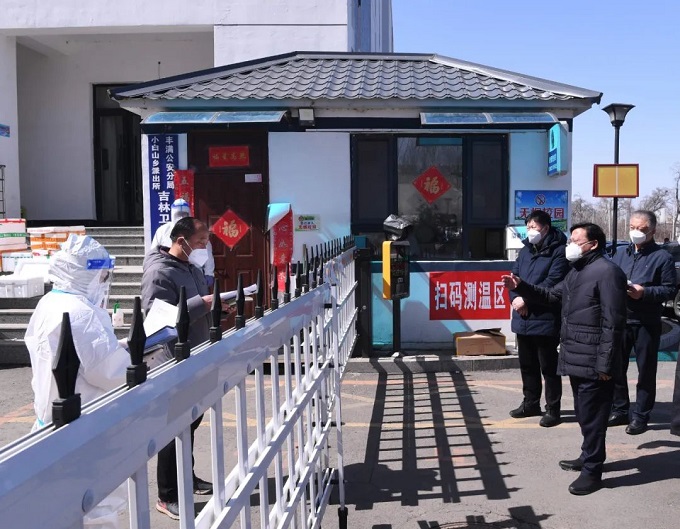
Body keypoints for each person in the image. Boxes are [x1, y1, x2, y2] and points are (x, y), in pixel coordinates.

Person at [503, 222, 627, 496]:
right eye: (570, 240)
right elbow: (551, 295)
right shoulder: (576, 271)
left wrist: (606, 364)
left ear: (593, 244)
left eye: (575, 241)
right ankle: (588, 456)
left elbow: (614, 323)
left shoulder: (607, 273)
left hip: (595, 360)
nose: (569, 245)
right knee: (584, 414)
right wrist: (522, 286)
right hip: (576, 355)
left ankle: (592, 472)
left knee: (594, 418)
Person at [25, 235, 130, 528]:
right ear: (86, 273)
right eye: (101, 275)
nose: (104, 282)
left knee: (57, 506)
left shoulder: (49, 302)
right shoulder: (82, 312)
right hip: (86, 428)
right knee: (94, 510)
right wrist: (135, 359)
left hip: (51, 420)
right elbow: (110, 373)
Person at [141, 216, 214, 520]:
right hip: (173, 360)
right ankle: (167, 494)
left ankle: (187, 476)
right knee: (173, 427)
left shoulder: (192, 268)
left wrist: (216, 307)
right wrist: (202, 305)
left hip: (196, 353)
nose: (204, 247)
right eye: (200, 242)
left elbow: (196, 307)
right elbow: (156, 317)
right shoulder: (159, 272)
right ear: (181, 241)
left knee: (191, 420)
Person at [608, 210, 676, 435]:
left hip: (646, 322)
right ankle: (620, 409)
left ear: (653, 231)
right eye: (632, 227)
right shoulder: (620, 253)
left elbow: (669, 289)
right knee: (616, 368)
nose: (636, 232)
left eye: (641, 229)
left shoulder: (662, 257)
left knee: (646, 371)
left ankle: (641, 415)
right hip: (620, 319)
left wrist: (644, 292)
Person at [509, 211, 569, 427]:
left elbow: (553, 283)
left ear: (545, 228)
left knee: (548, 367)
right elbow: (513, 279)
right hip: (523, 317)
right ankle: (530, 403)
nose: (530, 231)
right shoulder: (525, 250)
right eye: (528, 227)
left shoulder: (559, 252)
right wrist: (516, 300)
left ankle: (553, 408)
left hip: (544, 316)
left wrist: (526, 299)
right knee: (527, 365)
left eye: (534, 227)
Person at [148, 198, 216, 287]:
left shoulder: (197, 230)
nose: (181, 218)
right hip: (170, 273)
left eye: (184, 214)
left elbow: (207, 252)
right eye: (178, 215)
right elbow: (154, 252)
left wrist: (209, 273)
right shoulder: (162, 230)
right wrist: (154, 269)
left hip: (195, 273)